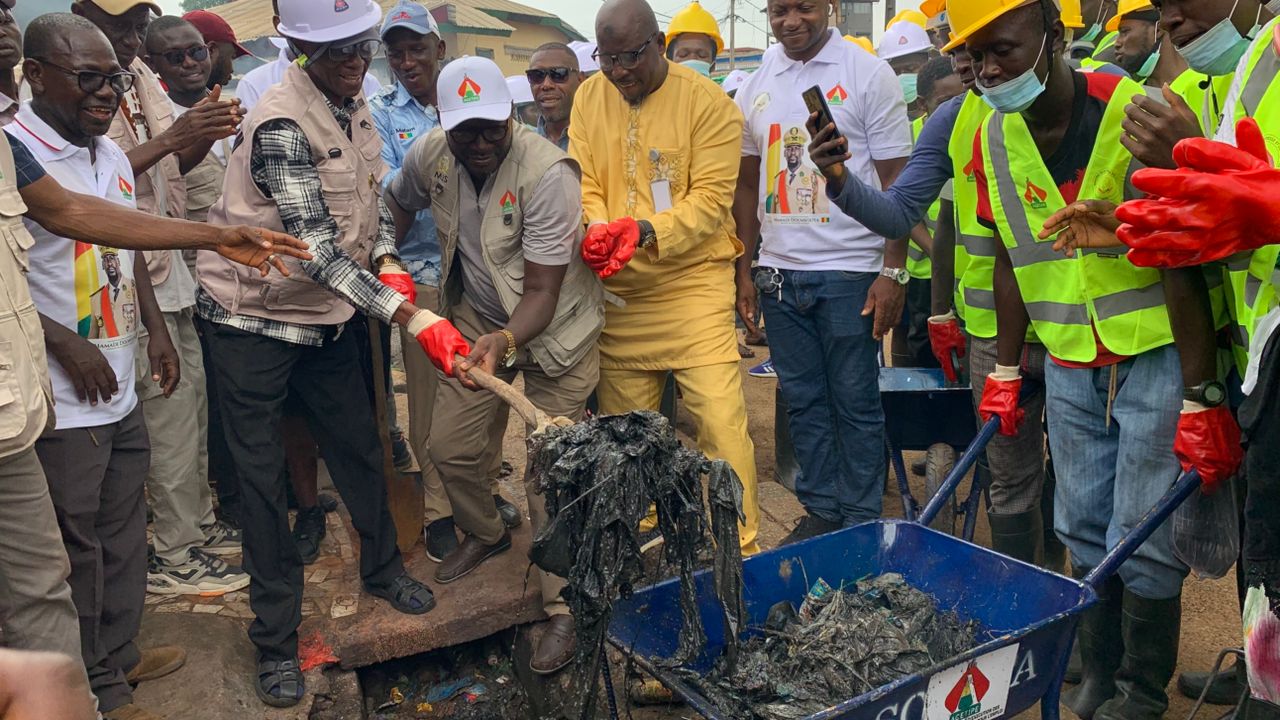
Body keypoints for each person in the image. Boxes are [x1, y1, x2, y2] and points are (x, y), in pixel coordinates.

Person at [9, 13, 309, 719]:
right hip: (60, 391)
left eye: (114, 76)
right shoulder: (17, 150)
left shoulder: (109, 154)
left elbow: (119, 238)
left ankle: (118, 653)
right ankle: (95, 689)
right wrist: (64, 341)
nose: (107, 92)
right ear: (35, 73)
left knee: (120, 533)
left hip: (119, 373)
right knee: (72, 552)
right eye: (89, 78)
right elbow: (11, 271)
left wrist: (155, 333)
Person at [195, 0, 466, 706]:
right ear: (298, 49)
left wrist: (386, 257)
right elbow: (313, 249)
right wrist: (410, 314)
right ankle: (276, 640)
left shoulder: (356, 104)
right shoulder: (282, 121)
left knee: (361, 447)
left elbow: (362, 213)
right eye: (336, 51)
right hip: (251, 318)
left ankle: (381, 569)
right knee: (263, 486)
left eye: (360, 47)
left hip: (327, 317)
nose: (353, 61)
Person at [948, 0, 1187, 717]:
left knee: (1141, 528)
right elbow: (1008, 258)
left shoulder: (1132, 108)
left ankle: (1142, 690)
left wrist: (1204, 388)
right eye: (978, 55)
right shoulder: (992, 135)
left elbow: (1185, 235)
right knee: (1080, 523)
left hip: (1152, 348)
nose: (991, 69)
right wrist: (1004, 368)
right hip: (1069, 358)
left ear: (1056, 37)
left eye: (1005, 50)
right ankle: (1096, 670)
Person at [387, 55, 604, 677]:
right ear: (443, 123)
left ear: (514, 116)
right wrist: (387, 257)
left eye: (492, 128)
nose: (480, 142)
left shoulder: (548, 173)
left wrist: (506, 340)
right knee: (449, 448)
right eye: (466, 131)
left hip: (553, 329)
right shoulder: (430, 154)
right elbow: (395, 205)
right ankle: (485, 531)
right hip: (478, 320)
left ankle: (563, 604)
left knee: (551, 471)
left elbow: (541, 290)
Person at [570, 0, 762, 555]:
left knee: (720, 420)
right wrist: (601, 228)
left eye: (629, 57)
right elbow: (584, 180)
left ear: (658, 43)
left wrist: (646, 230)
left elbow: (710, 202)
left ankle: (740, 540)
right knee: (628, 428)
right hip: (621, 288)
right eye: (606, 59)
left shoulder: (710, 106)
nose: (619, 72)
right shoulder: (589, 95)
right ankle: (646, 529)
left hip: (692, 284)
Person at [732, 0, 910, 543]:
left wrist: (893, 273)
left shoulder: (867, 74)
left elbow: (899, 185)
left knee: (854, 401)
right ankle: (823, 511)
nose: (791, 21)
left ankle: (858, 519)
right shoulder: (758, 80)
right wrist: (746, 268)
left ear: (830, 6)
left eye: (804, 7)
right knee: (803, 399)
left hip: (851, 272)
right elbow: (746, 184)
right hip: (779, 274)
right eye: (779, 10)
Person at [370, 1, 522, 563]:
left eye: (416, 48)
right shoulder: (383, 109)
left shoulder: (482, 96)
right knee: (433, 402)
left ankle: (477, 492)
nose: (407, 60)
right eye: (396, 52)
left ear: (440, 48)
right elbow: (392, 188)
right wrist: (389, 264)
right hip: (426, 275)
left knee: (486, 393)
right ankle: (439, 510)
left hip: (482, 275)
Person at [135, 14, 252, 598]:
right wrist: (180, 137)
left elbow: (164, 188)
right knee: (170, 419)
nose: (189, 64)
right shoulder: (126, 105)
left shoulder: (142, 93)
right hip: (145, 283)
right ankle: (174, 557)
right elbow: (112, 198)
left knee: (192, 413)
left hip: (174, 276)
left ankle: (197, 529)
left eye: (195, 52)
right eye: (173, 57)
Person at [879, 20, 940, 370]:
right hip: (915, 264)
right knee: (907, 332)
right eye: (896, 68)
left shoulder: (946, 127)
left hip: (955, 268)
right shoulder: (902, 134)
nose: (904, 75)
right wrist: (933, 248)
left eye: (912, 66)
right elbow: (895, 198)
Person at [235, 0, 382, 113]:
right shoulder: (256, 88)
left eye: (365, 46)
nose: (357, 62)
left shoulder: (368, 86)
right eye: (341, 50)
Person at [527, 42, 584, 151]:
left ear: (580, 80)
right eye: (537, 76)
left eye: (558, 74)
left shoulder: (601, 138)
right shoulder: (522, 146)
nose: (546, 85)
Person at [665, 1, 722, 77]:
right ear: (670, 61)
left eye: (702, 55)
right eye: (683, 55)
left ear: (713, 66)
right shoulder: (656, 88)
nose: (692, 59)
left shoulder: (717, 89)